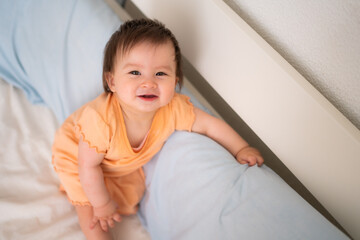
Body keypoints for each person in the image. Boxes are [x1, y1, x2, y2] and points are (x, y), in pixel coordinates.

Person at [52, 18, 264, 240]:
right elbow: (88, 167)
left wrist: (241, 149)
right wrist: (102, 204)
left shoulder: (173, 109)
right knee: (92, 212)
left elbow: (210, 126)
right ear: (112, 81)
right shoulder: (100, 120)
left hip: (115, 162)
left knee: (132, 191)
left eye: (160, 74)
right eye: (135, 73)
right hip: (77, 156)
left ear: (175, 81)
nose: (149, 83)